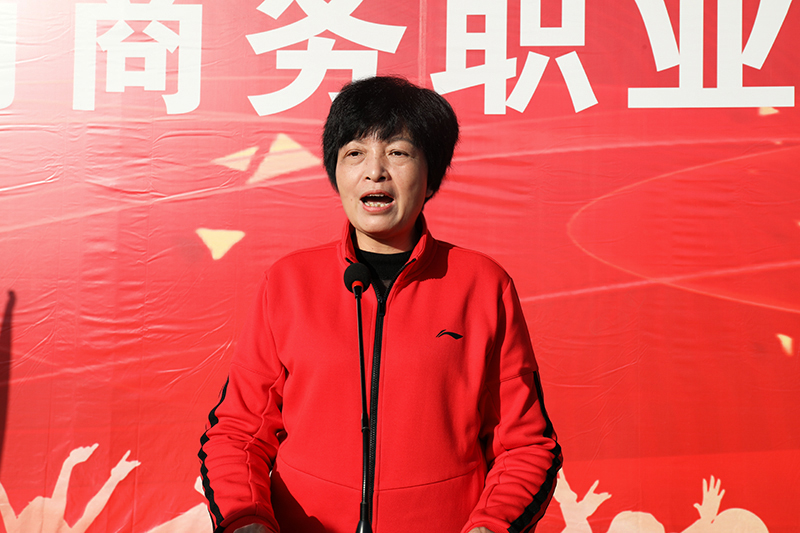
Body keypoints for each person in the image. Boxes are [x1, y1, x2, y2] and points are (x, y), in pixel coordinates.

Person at [199, 76, 562, 533]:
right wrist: (247, 519)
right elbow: (237, 433)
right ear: (335, 172)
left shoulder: (483, 285)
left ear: (431, 175)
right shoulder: (288, 282)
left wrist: (492, 526)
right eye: (355, 153)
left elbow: (527, 445)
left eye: (398, 152)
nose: (375, 171)